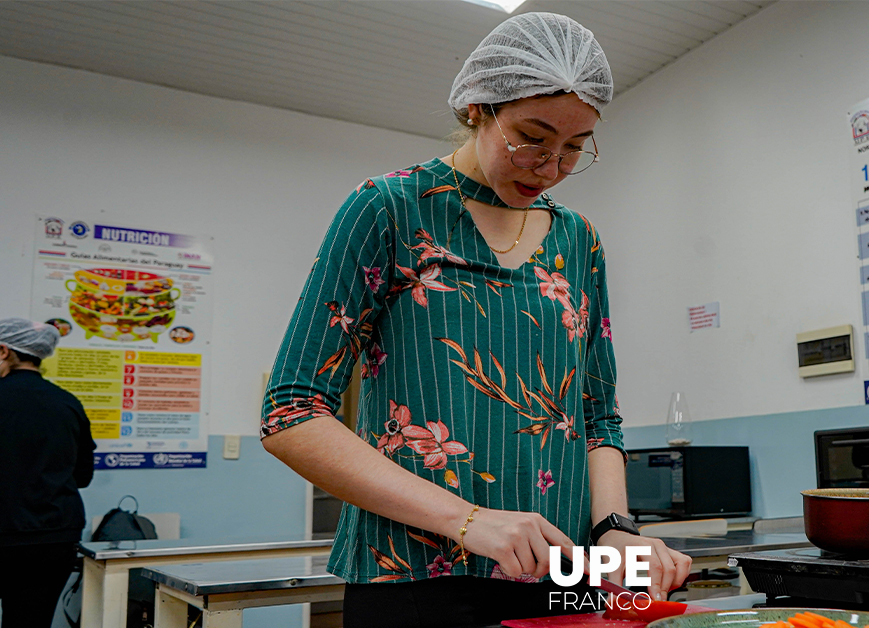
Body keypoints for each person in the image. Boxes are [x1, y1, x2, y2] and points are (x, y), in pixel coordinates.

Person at [261, 12, 690, 628]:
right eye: (531, 137)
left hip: (562, 574)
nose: (549, 168)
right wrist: (469, 521)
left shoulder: (578, 240)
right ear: (476, 108)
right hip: (412, 571)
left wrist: (617, 530)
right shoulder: (389, 208)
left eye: (574, 147)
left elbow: (597, 414)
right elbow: (291, 413)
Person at [0, 318, 95, 628]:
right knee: (30, 621)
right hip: (52, 538)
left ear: (3, 351)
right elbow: (82, 476)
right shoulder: (67, 403)